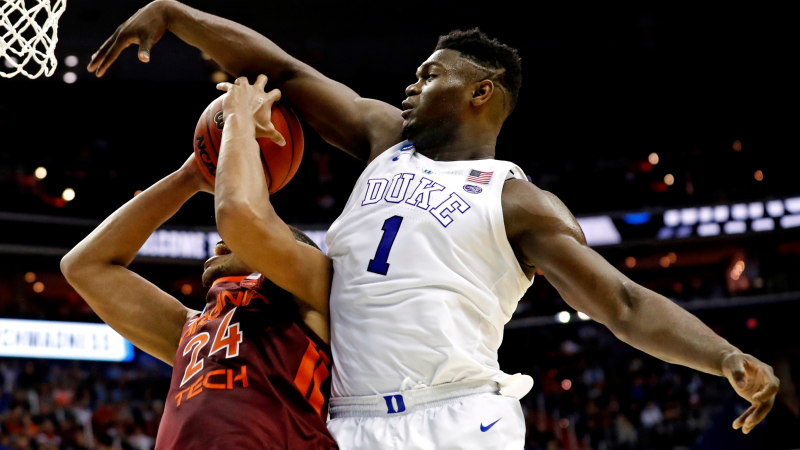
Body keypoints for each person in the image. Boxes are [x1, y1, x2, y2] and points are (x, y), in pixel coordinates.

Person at [89, 2, 780, 448]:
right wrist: (174, 15)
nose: (411, 84)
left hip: (457, 415)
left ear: (481, 91)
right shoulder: (382, 139)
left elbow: (622, 303)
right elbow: (281, 69)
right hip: (348, 423)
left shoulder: (519, 202)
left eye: (429, 74)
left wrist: (722, 356)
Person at [60, 150, 338, 450]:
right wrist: (188, 177)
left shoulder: (308, 294)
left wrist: (237, 124)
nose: (221, 241)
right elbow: (83, 266)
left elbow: (240, 217)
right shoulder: (190, 329)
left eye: (240, 240)